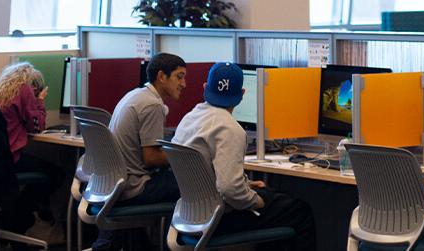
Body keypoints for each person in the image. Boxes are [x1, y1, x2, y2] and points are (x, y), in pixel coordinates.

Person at [171, 62, 316, 250]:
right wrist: (256, 201)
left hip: (189, 215)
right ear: (241, 95)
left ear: (205, 88)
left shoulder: (188, 119)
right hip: (218, 219)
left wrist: (245, 185)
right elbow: (230, 188)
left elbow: (207, 176)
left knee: (275, 199)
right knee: (298, 210)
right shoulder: (230, 129)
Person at [93, 53, 187, 250]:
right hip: (134, 186)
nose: (184, 83)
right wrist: (183, 155)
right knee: (196, 185)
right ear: (162, 76)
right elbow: (151, 158)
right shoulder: (153, 104)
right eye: (179, 76)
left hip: (114, 184)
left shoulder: (134, 95)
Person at [0, 62, 65, 233]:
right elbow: (36, 126)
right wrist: (40, 101)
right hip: (8, 159)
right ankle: (16, 214)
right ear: (32, 86)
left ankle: (13, 216)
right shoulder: (24, 90)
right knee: (57, 174)